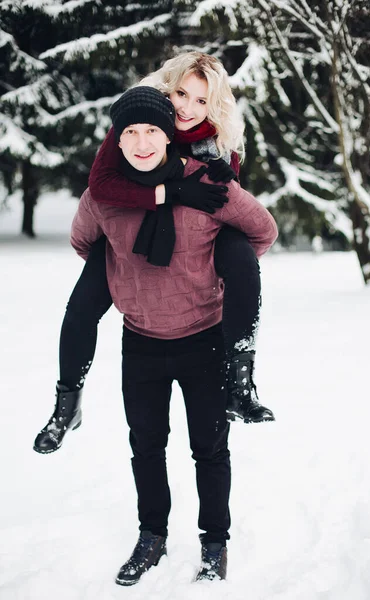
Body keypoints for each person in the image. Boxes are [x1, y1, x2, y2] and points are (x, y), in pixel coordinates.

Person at [70, 86, 278, 585]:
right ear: (117, 140)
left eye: (153, 131)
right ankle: (152, 538)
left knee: (209, 449)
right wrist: (126, 274)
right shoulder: (108, 189)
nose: (142, 141)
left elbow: (262, 232)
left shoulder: (208, 180)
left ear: (170, 133)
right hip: (140, 341)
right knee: (146, 446)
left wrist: (221, 261)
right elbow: (84, 242)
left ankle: (214, 543)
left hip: (203, 339)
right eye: (132, 133)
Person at [33, 52, 274, 456]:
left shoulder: (216, 138)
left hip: (196, 237)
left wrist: (208, 265)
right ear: (167, 87)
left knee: (240, 257)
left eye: (201, 101)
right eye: (181, 93)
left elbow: (235, 200)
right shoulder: (138, 121)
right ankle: (67, 402)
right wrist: (174, 186)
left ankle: (240, 381)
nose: (187, 108)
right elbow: (102, 186)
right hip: (128, 224)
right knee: (82, 302)